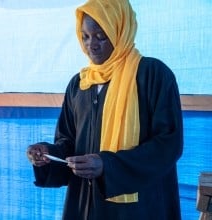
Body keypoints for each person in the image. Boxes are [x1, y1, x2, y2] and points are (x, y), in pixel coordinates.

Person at [26, 0, 183, 219]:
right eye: (85, 36)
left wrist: (107, 165)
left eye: (101, 35)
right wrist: (48, 154)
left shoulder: (152, 75)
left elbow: (168, 145)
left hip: (139, 208)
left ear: (120, 30)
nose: (92, 44)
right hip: (85, 206)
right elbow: (68, 144)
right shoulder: (80, 84)